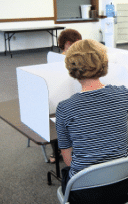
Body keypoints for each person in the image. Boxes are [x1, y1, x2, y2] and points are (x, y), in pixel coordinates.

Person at [56, 39, 128, 203]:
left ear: (71, 67)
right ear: (103, 64)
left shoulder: (65, 108)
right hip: (124, 188)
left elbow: (68, 160)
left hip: (85, 194)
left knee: (65, 172)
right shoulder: (123, 94)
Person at [49, 28, 82, 164]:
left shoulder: (77, 59)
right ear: (68, 44)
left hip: (74, 96)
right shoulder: (58, 61)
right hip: (59, 97)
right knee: (57, 118)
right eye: (77, 44)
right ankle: (56, 149)